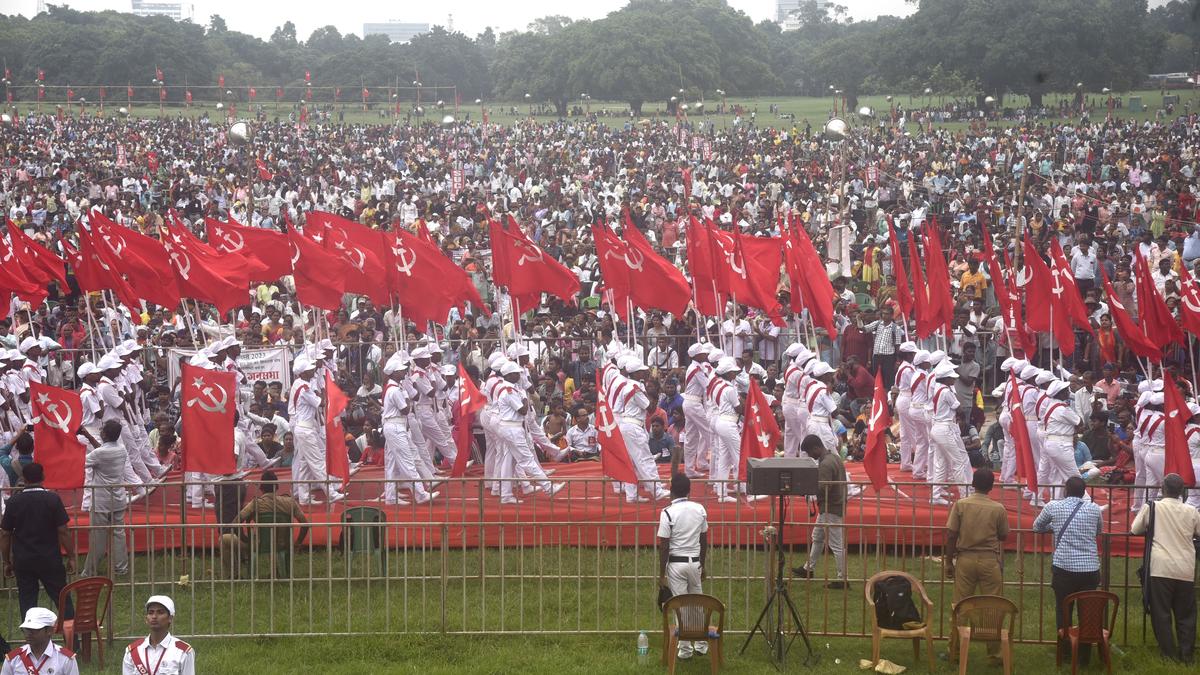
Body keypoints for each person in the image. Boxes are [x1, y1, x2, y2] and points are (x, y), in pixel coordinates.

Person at [1032, 476, 1104, 665]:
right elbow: (1098, 531)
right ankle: (1084, 656)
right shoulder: (1094, 509)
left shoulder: (1053, 507)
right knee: (1087, 612)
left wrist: (1054, 527)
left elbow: (1037, 527)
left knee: (1063, 610)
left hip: (1064, 567)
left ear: (1065, 490)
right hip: (1089, 568)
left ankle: (1064, 653)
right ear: (1084, 492)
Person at [1130, 473, 1200, 663]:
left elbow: (1135, 529)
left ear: (1162, 489)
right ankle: (1187, 655)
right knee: (1186, 615)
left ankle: (1168, 655)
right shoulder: (1192, 511)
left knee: (1161, 613)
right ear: (1182, 491)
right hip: (1185, 567)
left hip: (1160, 567)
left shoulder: (1152, 507)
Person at [945, 468, 1009, 660]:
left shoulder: (961, 505)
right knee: (993, 606)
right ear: (991, 486)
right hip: (989, 560)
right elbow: (1003, 535)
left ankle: (955, 650)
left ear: (973, 484)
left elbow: (951, 534)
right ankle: (994, 653)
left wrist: (949, 561)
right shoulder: (998, 508)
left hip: (965, 559)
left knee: (960, 606)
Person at [0, 463, 75, 617]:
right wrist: (71, 556)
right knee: (62, 599)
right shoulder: (52, 499)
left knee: (27, 602)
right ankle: (70, 631)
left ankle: (30, 631)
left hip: (23, 560)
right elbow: (63, 531)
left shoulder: (14, 502)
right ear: (43, 477)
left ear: (24, 479)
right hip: (50, 558)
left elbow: (5, 534)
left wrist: (6, 561)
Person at [657, 473, 709, 661]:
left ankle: (685, 649)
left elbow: (664, 545)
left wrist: (662, 574)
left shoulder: (667, 512)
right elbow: (703, 540)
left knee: (681, 605)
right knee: (697, 603)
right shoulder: (699, 509)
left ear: (671, 491)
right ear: (689, 490)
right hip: (695, 562)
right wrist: (703, 564)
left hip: (676, 564)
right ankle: (701, 644)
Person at [793, 434, 848, 589]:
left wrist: (806, 489)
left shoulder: (825, 464)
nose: (811, 456)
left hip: (830, 507)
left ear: (816, 448)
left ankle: (842, 579)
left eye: (810, 452)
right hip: (832, 506)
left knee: (836, 545)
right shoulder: (834, 458)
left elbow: (823, 487)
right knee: (817, 537)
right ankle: (808, 568)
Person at [82, 420, 130, 577]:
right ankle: (121, 568)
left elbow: (82, 462)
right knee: (119, 534)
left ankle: (90, 571)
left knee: (98, 537)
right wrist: (88, 436)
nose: (100, 431)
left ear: (105, 434)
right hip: (118, 499)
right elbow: (101, 450)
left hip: (101, 501)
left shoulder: (98, 454)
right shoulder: (122, 449)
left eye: (102, 429)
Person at [122, 595, 195, 675]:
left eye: (160, 612)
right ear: (146, 619)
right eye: (150, 612)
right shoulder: (133, 651)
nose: (154, 616)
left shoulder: (183, 652)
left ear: (170, 618)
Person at [1, 607, 79, 675]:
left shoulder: (65, 659)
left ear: (50, 631)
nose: (28, 633)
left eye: (34, 629)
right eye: (26, 629)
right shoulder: (13, 659)